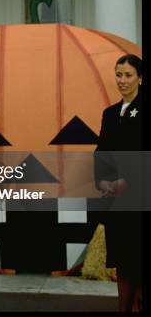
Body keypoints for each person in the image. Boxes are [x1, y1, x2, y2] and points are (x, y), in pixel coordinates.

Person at [94, 53, 142, 312]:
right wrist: (102, 181)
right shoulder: (110, 114)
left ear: (140, 78)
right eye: (118, 74)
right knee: (123, 261)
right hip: (117, 201)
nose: (122, 80)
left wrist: (128, 180)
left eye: (128, 75)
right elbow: (101, 151)